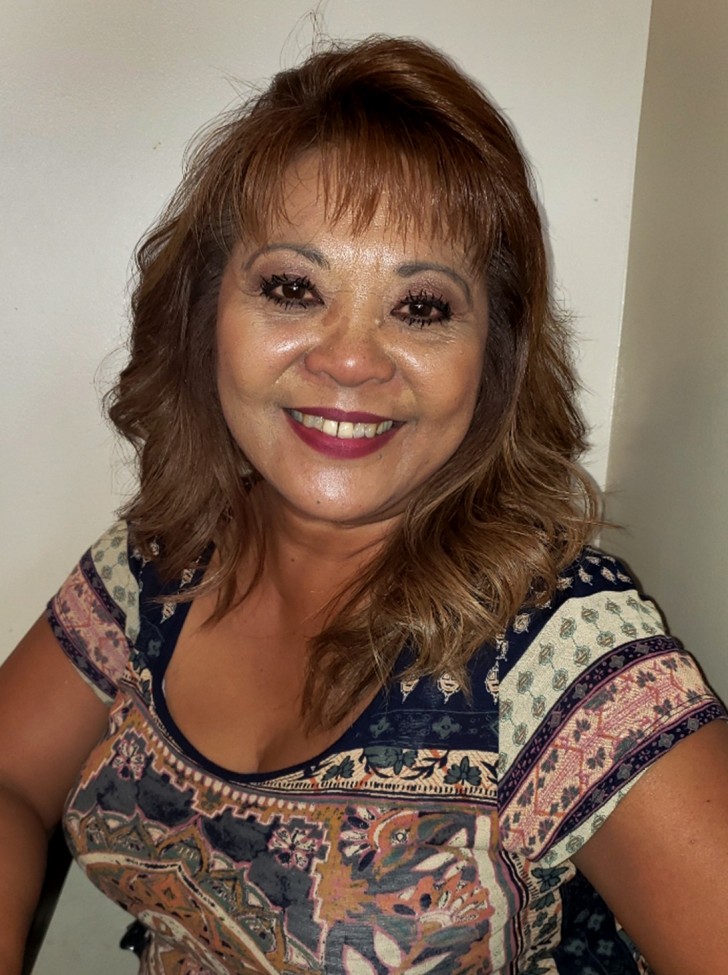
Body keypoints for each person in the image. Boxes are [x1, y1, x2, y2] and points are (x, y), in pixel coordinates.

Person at [1, 34, 727, 975]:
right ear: (206, 314)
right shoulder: (160, 558)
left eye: (421, 307)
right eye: (293, 289)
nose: (349, 360)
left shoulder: (563, 651)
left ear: (493, 358)